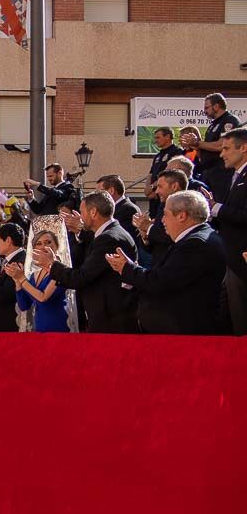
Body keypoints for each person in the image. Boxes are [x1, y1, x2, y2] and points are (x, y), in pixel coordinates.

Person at [106, 190, 226, 335]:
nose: (162, 220)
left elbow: (161, 281)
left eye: (166, 215)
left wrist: (127, 268)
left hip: (184, 333)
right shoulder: (196, 238)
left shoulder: (195, 243)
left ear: (182, 216)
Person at [34, 191, 138, 334]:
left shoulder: (108, 238)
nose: (81, 218)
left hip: (111, 320)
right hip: (109, 316)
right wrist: (80, 232)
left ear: (93, 212)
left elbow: (82, 277)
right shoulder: (111, 233)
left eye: (82, 212)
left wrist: (52, 264)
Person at [216, 128, 247, 335]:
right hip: (230, 260)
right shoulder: (236, 176)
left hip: (242, 261)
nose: (221, 154)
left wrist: (218, 209)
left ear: (243, 147)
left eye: (226, 148)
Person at [182, 93, 241, 203]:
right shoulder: (212, 126)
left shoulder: (229, 121)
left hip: (222, 173)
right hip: (208, 174)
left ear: (216, 106)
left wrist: (198, 143)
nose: (204, 111)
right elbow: (203, 152)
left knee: (219, 204)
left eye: (206, 107)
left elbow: (220, 145)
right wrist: (195, 145)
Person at [10, 230, 70, 332]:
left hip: (57, 328)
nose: (43, 247)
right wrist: (17, 282)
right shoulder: (35, 275)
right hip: (39, 328)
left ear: (56, 246)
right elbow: (24, 306)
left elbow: (42, 297)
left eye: (48, 242)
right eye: (39, 244)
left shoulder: (61, 271)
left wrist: (22, 279)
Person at [147, 128, 186, 218]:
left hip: (164, 196)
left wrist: (154, 188)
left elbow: (172, 173)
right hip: (153, 197)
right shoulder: (158, 155)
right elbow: (151, 174)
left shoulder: (177, 152)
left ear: (168, 137)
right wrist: (147, 188)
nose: (155, 141)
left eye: (158, 138)